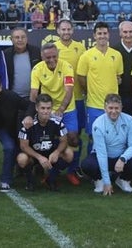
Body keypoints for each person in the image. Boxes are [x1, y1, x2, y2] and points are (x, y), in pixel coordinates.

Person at [29, 43, 80, 186]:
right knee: (46, 139)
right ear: (42, 56)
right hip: (47, 108)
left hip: (66, 108)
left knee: (73, 138)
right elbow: (33, 93)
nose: (51, 60)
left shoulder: (66, 67)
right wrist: (34, 110)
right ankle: (47, 171)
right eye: (48, 57)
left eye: (54, 56)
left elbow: (69, 90)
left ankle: (72, 171)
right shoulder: (37, 69)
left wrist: (61, 109)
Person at [81, 93, 132, 194]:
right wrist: (107, 182)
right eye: (110, 108)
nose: (114, 111)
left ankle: (123, 179)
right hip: (103, 156)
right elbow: (101, 154)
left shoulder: (129, 120)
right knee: (87, 165)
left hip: (120, 157)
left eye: (117, 108)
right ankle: (100, 180)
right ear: (105, 108)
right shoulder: (98, 124)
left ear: (121, 108)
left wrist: (123, 158)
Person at [77, 22, 124, 140]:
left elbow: (118, 77)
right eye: (99, 33)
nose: (102, 36)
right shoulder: (86, 56)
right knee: (93, 137)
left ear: (109, 35)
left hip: (113, 105)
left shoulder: (117, 55)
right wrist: (89, 91)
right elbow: (81, 77)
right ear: (94, 36)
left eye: (104, 33)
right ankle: (93, 158)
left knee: (113, 136)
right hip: (94, 104)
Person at [17, 93, 73, 191]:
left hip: (50, 152)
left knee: (69, 154)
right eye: (43, 108)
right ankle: (30, 181)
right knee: (22, 159)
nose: (46, 111)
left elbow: (64, 141)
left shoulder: (57, 122)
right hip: (34, 154)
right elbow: (23, 146)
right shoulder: (28, 123)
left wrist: (57, 152)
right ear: (37, 108)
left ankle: (51, 178)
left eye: (48, 108)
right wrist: (39, 157)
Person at [4, 27, 41, 100]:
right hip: (12, 97)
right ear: (11, 40)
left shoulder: (36, 52)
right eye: (17, 37)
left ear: (27, 38)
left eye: (23, 37)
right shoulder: (6, 54)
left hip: (33, 97)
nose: (20, 40)